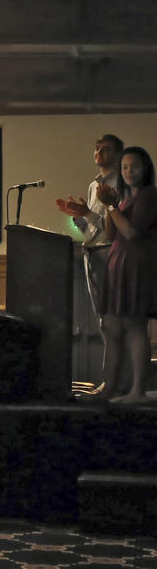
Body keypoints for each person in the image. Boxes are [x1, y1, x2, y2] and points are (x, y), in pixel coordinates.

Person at [56, 134, 125, 393]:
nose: (99, 152)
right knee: (102, 320)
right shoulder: (93, 184)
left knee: (112, 320)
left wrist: (88, 214)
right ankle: (112, 380)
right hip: (91, 251)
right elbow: (94, 225)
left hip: (110, 252)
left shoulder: (120, 183)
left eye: (105, 149)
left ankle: (114, 382)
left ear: (118, 154)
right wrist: (79, 218)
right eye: (96, 148)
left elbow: (112, 227)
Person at [97, 146, 157, 405]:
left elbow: (132, 233)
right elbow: (112, 235)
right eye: (124, 167)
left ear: (146, 169)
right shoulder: (124, 199)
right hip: (118, 264)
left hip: (137, 266)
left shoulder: (149, 196)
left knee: (134, 326)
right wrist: (109, 206)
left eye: (134, 166)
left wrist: (112, 207)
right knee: (112, 326)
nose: (129, 172)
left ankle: (137, 390)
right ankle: (111, 386)